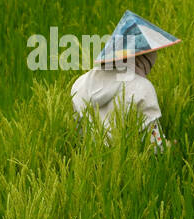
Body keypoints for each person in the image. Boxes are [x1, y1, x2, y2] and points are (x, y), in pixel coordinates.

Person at [71, 11, 180, 150]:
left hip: (88, 163)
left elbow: (78, 136)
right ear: (143, 58)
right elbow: (156, 147)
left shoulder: (79, 83)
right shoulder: (142, 88)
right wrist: (175, 147)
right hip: (127, 166)